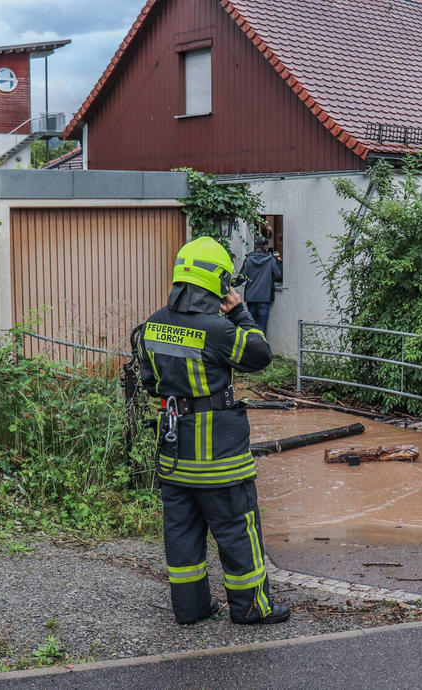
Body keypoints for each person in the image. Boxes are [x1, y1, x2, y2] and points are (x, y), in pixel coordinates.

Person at [130, 236, 290, 626]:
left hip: (173, 455)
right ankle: (253, 608)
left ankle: (191, 608)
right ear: (218, 283)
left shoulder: (152, 325)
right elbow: (260, 355)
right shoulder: (219, 330)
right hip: (220, 459)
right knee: (238, 531)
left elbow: (150, 383)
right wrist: (241, 313)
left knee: (182, 535)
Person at [238, 236, 282, 333]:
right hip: (264, 297)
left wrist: (230, 285)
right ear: (265, 246)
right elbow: (278, 274)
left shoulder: (249, 259)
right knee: (262, 326)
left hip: (251, 296)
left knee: (251, 325)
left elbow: (241, 278)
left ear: (256, 246)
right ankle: (261, 347)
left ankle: (251, 347)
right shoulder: (271, 259)